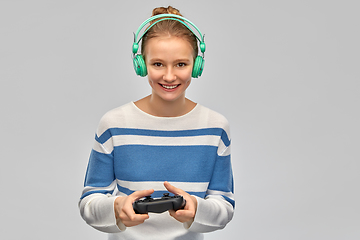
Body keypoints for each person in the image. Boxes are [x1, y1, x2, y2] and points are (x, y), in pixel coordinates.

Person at [79, 6, 235, 240]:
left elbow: (225, 205)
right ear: (141, 64)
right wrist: (117, 207)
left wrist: (196, 208)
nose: (169, 76)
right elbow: (89, 201)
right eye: (158, 64)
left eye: (181, 64)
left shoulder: (215, 127)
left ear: (197, 65)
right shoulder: (113, 124)